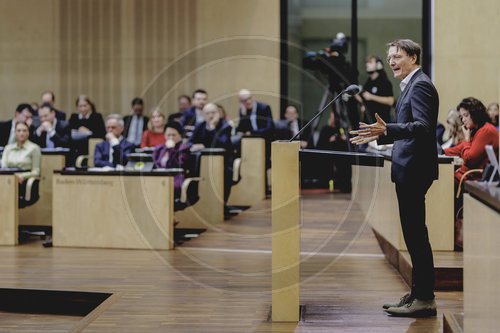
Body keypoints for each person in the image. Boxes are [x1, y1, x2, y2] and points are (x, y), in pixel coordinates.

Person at [350, 39, 439, 317]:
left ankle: (425, 299)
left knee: (416, 236)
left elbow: (424, 127)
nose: (391, 62)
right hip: (407, 167)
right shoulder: (411, 84)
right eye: (389, 57)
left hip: (415, 169)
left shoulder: (421, 84)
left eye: (397, 56)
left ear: (413, 57)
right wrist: (387, 134)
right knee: (413, 236)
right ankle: (418, 293)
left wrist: (386, 129)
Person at [188, 103, 234, 210]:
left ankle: (222, 205)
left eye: (213, 113)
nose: (210, 116)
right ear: (203, 115)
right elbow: (189, 143)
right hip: (202, 161)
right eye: (207, 113)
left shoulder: (225, 126)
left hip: (224, 161)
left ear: (218, 113)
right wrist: (194, 145)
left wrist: (212, 128)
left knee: (226, 173)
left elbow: (220, 143)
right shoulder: (200, 125)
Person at [444, 97, 499, 184]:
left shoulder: (486, 131)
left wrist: (466, 139)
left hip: (472, 178)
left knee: (441, 181)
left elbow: (469, 159)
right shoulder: (475, 129)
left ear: (475, 114)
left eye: (466, 116)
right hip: (465, 175)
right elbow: (458, 149)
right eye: (462, 117)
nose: (463, 120)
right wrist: (440, 151)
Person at [1, 122, 41, 207]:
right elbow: (3, 167)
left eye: (24, 131)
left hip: (23, 182)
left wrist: (23, 175)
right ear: (15, 132)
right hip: (7, 180)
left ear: (28, 133)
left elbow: (36, 171)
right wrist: (13, 177)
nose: (21, 133)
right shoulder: (8, 148)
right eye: (18, 131)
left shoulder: (34, 148)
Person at [152, 121, 191, 196]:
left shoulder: (184, 149)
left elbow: (178, 165)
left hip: (175, 178)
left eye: (174, 135)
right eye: (168, 135)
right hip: (159, 177)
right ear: (164, 135)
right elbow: (153, 164)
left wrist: (171, 150)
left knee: (164, 186)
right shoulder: (159, 148)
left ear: (179, 136)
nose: (171, 138)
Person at [317, 108, 351, 192]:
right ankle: (326, 185)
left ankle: (343, 185)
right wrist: (331, 140)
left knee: (343, 164)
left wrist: (341, 139)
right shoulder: (326, 129)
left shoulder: (342, 130)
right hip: (327, 155)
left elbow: (346, 146)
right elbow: (320, 145)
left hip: (340, 157)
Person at [355, 56, 394, 124]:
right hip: (368, 122)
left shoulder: (384, 82)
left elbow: (390, 101)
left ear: (378, 65)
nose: (367, 64)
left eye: (370, 62)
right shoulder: (368, 82)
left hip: (381, 123)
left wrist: (371, 97)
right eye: (367, 62)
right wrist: (354, 94)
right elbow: (364, 100)